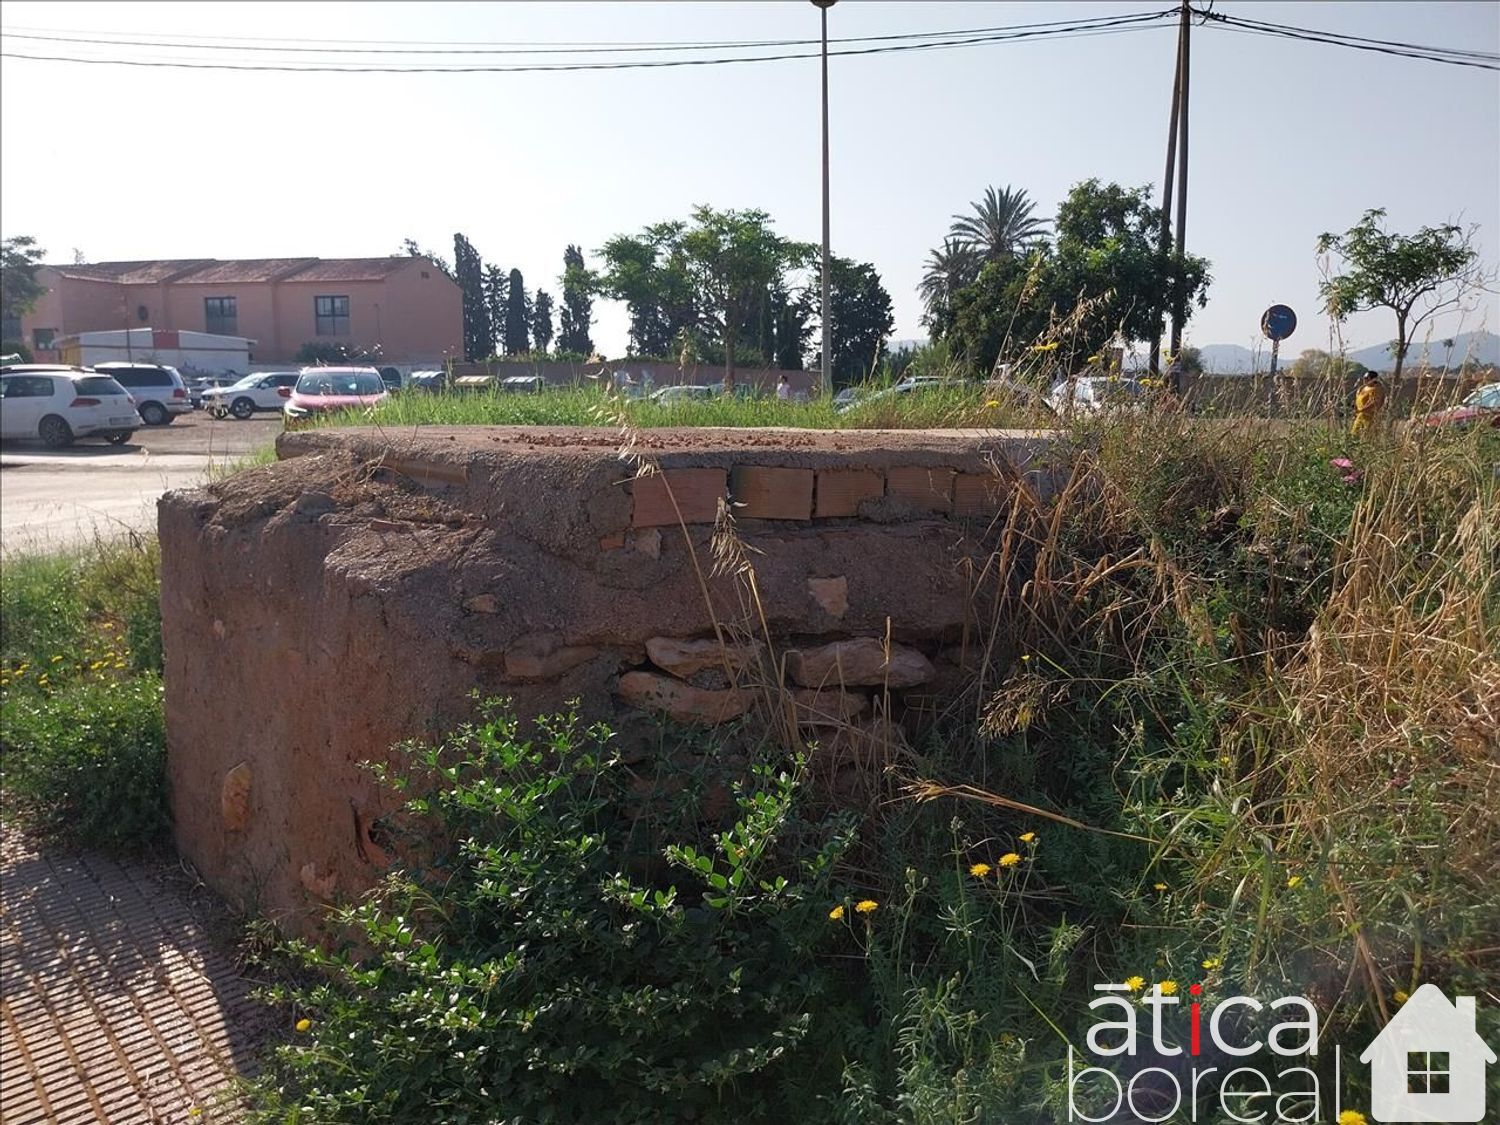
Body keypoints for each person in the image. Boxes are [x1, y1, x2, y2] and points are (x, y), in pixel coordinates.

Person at [1351, 370, 1386, 436]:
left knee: (1364, 436)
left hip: (1369, 417)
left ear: (1373, 379)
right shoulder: (1363, 388)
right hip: (1359, 415)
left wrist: (1362, 410)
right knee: (1354, 434)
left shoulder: (1376, 389)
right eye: (1364, 378)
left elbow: (1374, 403)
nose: (1364, 380)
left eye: (1366, 378)